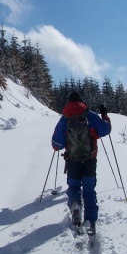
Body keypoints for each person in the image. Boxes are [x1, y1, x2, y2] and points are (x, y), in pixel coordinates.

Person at [51, 91, 111, 236]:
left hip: (73, 161)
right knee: (89, 191)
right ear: (81, 101)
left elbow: (56, 145)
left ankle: (75, 207)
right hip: (90, 160)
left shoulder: (64, 119)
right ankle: (90, 221)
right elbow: (106, 130)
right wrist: (104, 115)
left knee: (74, 187)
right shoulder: (89, 115)